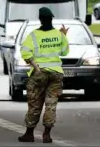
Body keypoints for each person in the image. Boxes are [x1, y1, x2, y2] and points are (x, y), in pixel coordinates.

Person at [18, 7, 69, 143]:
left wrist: (35, 66)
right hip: (56, 74)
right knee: (51, 104)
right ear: (52, 18)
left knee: (35, 104)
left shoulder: (33, 35)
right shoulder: (59, 35)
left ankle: (29, 133)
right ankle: (47, 134)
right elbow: (64, 52)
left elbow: (25, 52)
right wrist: (64, 35)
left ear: (40, 19)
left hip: (39, 74)